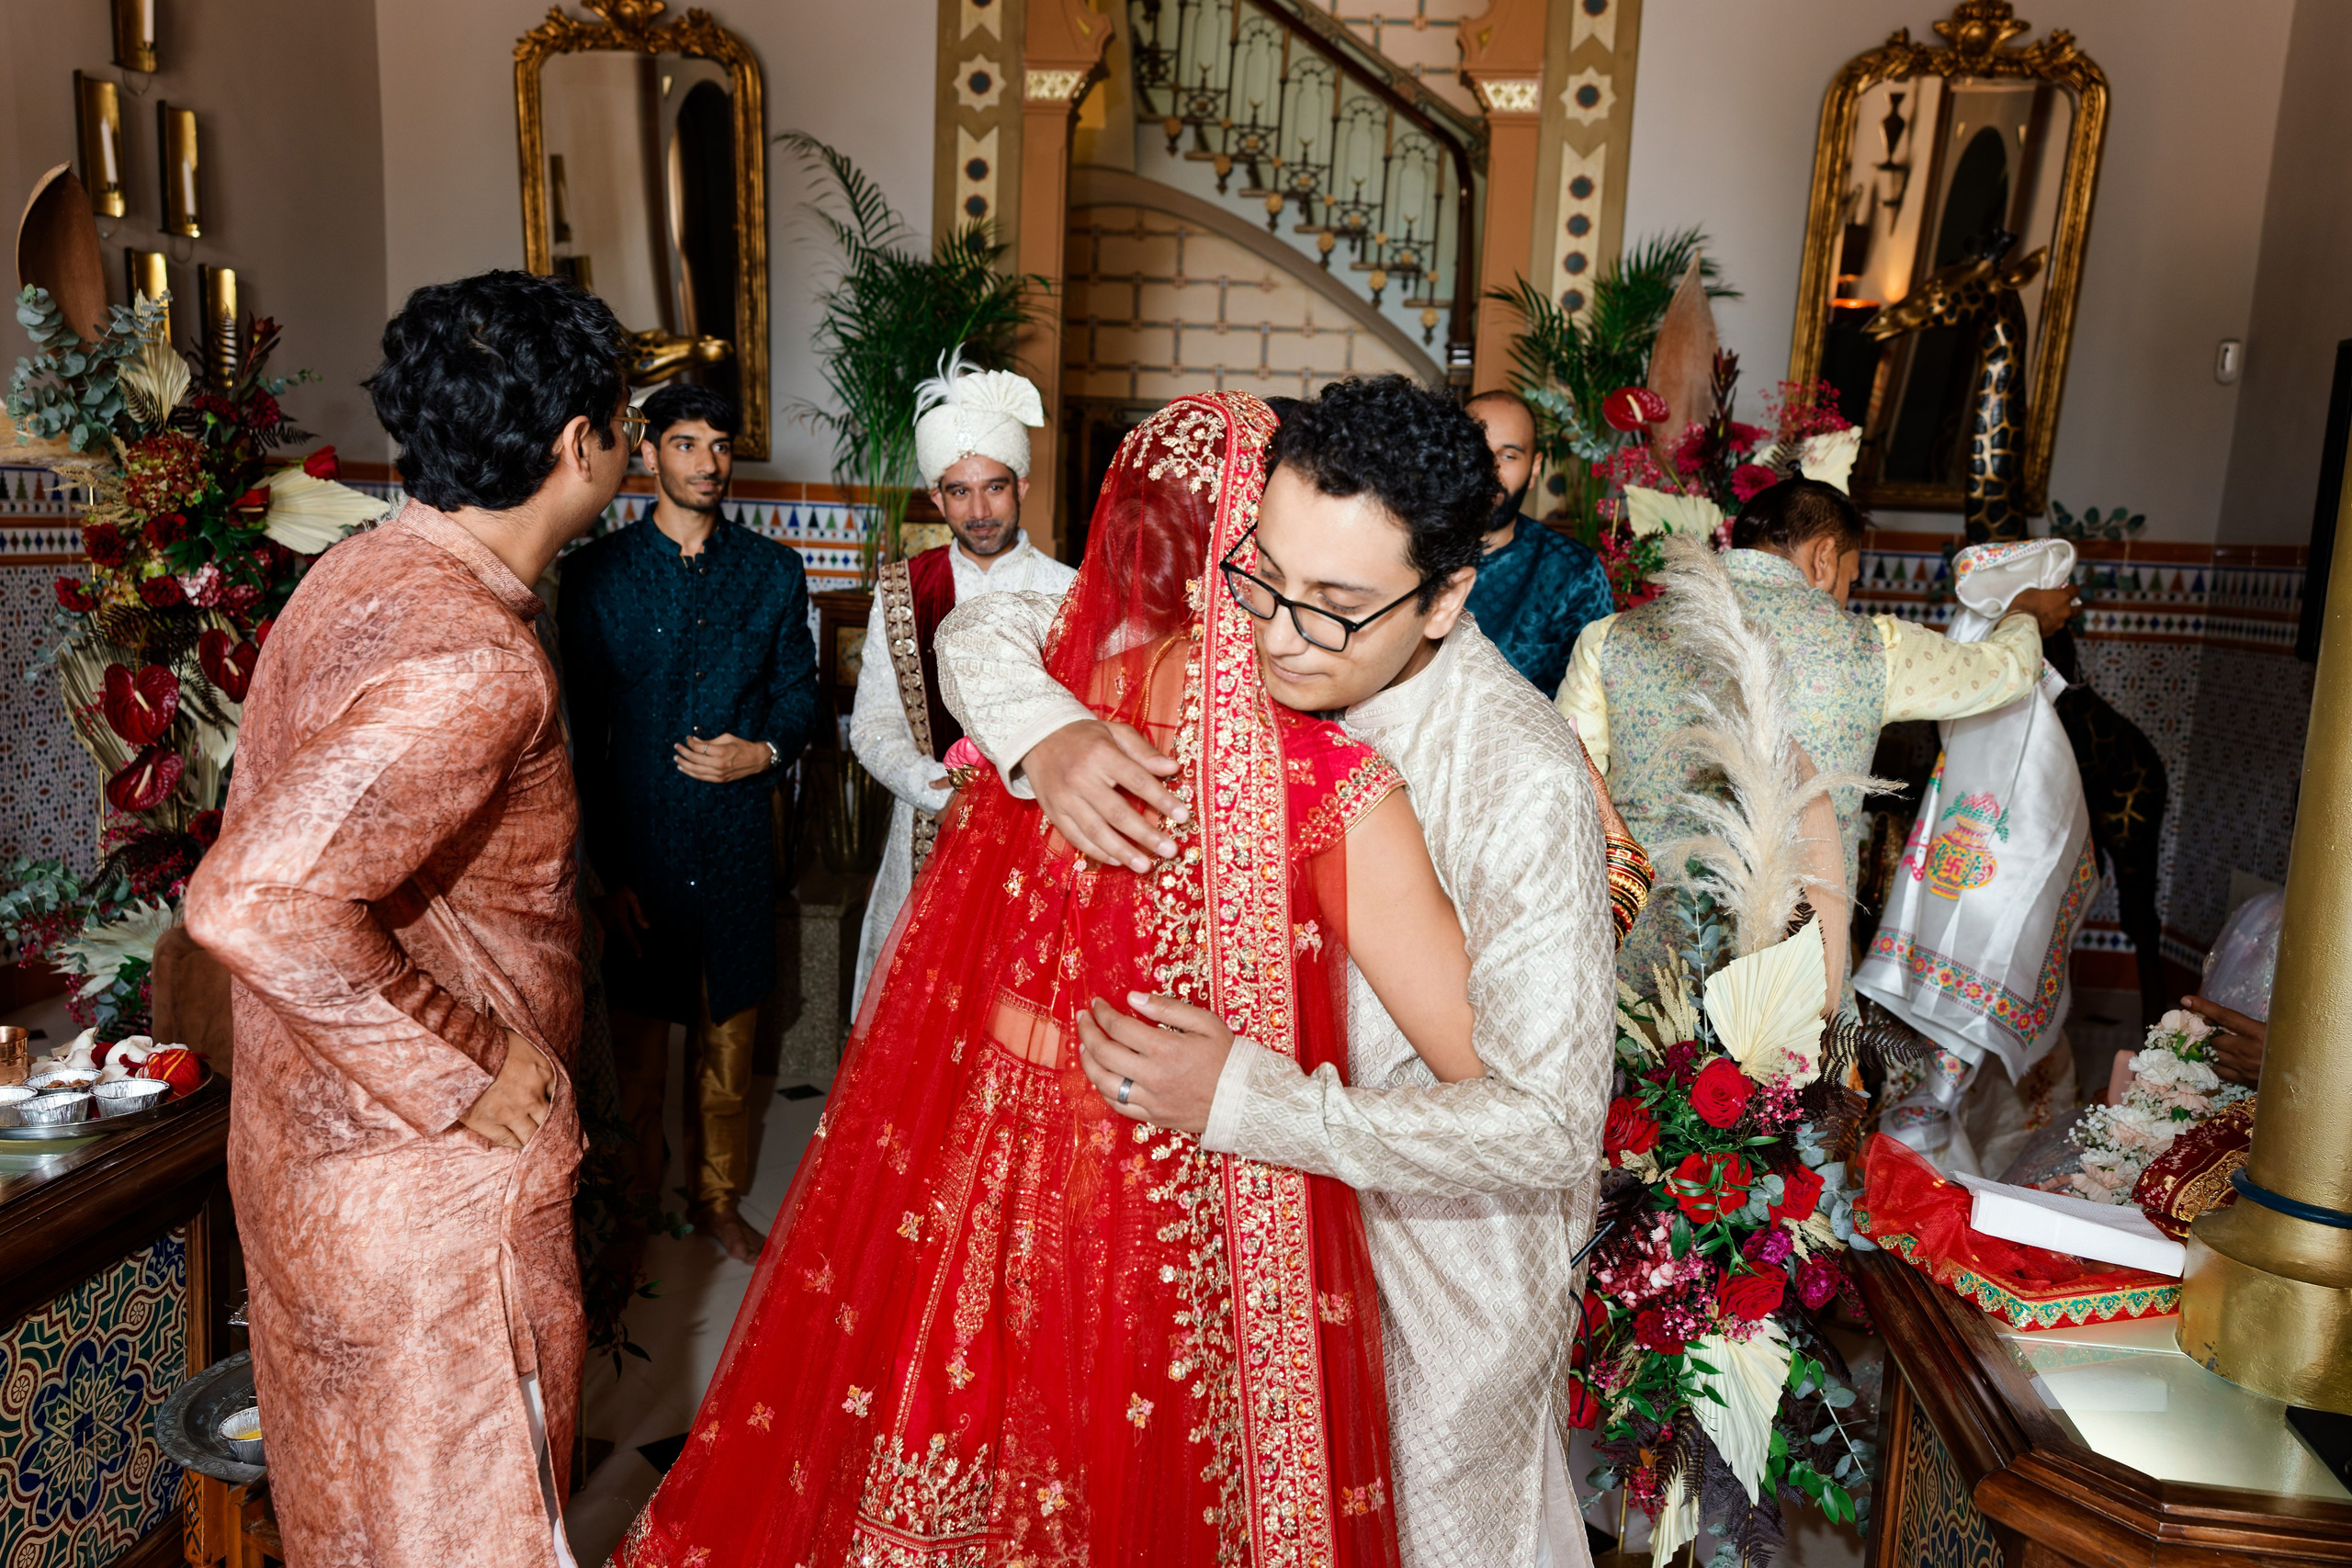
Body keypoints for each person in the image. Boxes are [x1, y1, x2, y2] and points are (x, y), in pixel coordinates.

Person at [616, 391, 1482, 1567]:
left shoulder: (1076, 702)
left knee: (950, 1439)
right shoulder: (1329, 786)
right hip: (1180, 1205)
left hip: (992, 1157)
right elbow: (1482, 1077)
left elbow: (992, 641)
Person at [933, 374, 1618, 1568]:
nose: (1278, 637)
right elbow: (986, 625)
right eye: (1264, 579)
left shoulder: (1519, 779)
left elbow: (1551, 1125)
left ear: (1448, 595)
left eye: (1337, 609)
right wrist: (1043, 732)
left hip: (1436, 1274)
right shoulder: (1245, 654)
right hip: (1258, 1230)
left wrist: (1247, 1100)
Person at [184, 270, 630, 1568]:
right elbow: (255, 897)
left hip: (319, 1166)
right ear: (576, 446)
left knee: (361, 1528)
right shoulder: (471, 659)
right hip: (426, 1207)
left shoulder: (358, 571)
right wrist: (468, 1059)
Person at [1556, 477, 2078, 986]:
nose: (1846, 595)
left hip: (1639, 961)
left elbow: (1568, 786)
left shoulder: (1612, 639)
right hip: (1794, 970)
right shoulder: (1873, 649)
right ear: (1825, 557)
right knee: (1790, 1071)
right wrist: (2024, 615)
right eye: (1851, 577)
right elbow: (2003, 672)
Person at [558, 382, 818, 1265]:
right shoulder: (598, 576)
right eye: (685, 444)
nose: (707, 463)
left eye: (719, 444)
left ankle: (716, 1200)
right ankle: (631, 1214)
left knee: (729, 1045)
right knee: (636, 1052)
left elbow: (801, 698)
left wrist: (765, 751)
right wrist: (605, 874)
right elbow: (580, 736)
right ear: (650, 450)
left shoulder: (774, 573)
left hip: (738, 841)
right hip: (643, 853)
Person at [849, 350, 1075, 1010]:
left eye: (994, 486)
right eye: (958, 490)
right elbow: (873, 726)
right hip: (926, 832)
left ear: (1023, 484)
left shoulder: (1071, 594)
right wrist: (936, 788)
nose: (978, 508)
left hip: (1035, 849)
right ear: (935, 496)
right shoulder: (901, 590)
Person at [1460, 389, 1614, 697]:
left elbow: (1592, 703)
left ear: (1534, 468)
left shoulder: (1573, 572)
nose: (1489, 471)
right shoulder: (1409, 550)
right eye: (1475, 451)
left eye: (1508, 455)